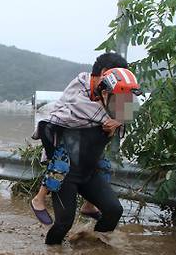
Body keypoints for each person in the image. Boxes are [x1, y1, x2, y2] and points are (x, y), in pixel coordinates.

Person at [33, 65, 142, 244]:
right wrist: (53, 159)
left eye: (126, 100)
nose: (122, 105)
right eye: (119, 99)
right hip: (67, 176)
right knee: (64, 222)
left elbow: (128, 116)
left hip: (90, 174)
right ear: (105, 94)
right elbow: (47, 124)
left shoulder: (118, 115)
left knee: (114, 210)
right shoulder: (79, 109)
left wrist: (118, 120)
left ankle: (93, 244)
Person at [30, 52, 126, 225]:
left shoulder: (112, 91)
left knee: (103, 166)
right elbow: (76, 110)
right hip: (64, 138)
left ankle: (89, 206)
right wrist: (106, 118)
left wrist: (117, 121)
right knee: (60, 165)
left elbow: (125, 113)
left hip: (88, 150)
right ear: (104, 72)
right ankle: (39, 199)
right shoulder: (80, 83)